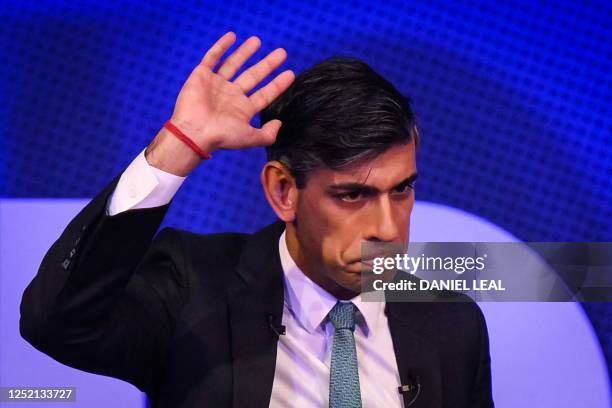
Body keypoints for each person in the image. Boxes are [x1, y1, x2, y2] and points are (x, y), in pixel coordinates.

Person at [19, 31, 493, 407]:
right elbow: (56, 322)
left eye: (402, 189)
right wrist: (179, 146)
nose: (388, 230)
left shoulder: (451, 324)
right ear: (283, 191)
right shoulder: (194, 290)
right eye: (353, 195)